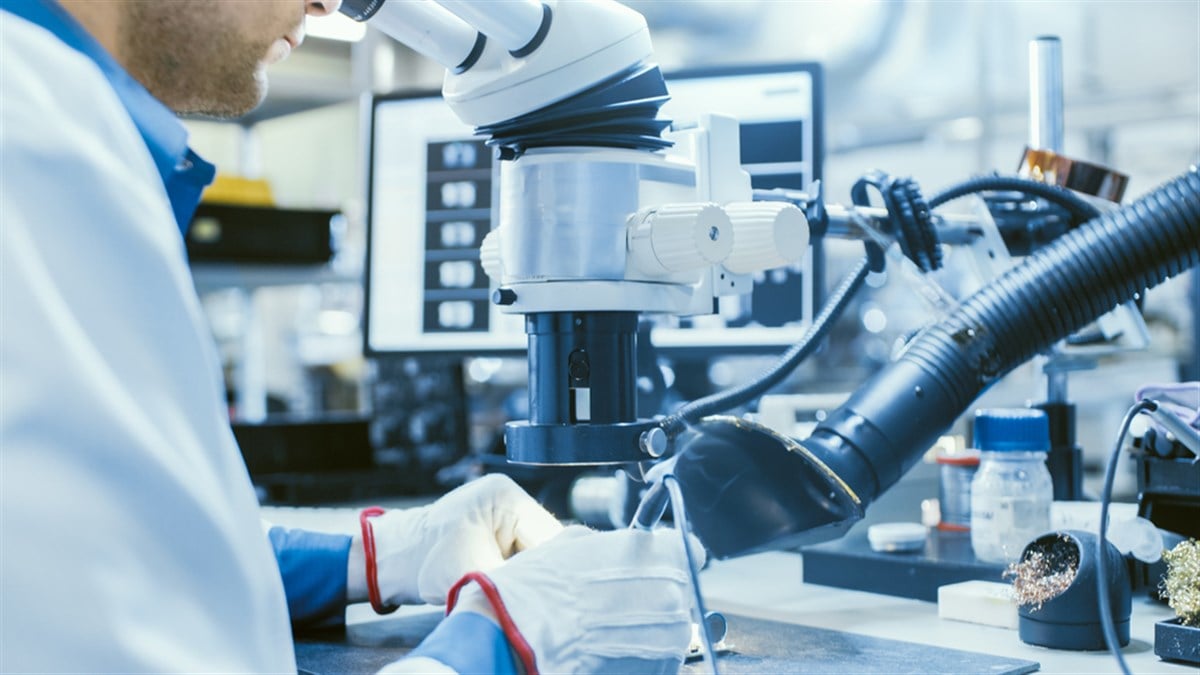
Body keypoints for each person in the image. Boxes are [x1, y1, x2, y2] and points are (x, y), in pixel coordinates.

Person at [0, 1, 697, 672]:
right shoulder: (30, 145)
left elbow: (103, 553)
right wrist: (511, 638)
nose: (328, 3)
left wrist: (376, 554)